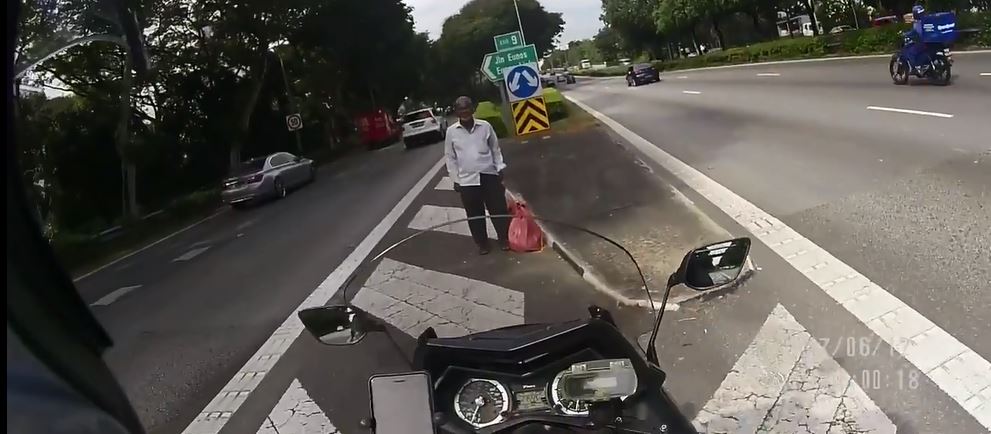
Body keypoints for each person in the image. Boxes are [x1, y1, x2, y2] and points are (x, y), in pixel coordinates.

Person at [445, 96, 511, 255]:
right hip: (467, 180)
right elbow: (450, 157)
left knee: (498, 209)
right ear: (457, 112)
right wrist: (455, 179)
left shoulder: (485, 126)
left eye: (467, 107)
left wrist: (499, 167)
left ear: (473, 109)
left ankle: (504, 239)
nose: (465, 111)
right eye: (461, 109)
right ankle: (482, 244)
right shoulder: (451, 132)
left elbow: (495, 149)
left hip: (489, 175)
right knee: (475, 214)